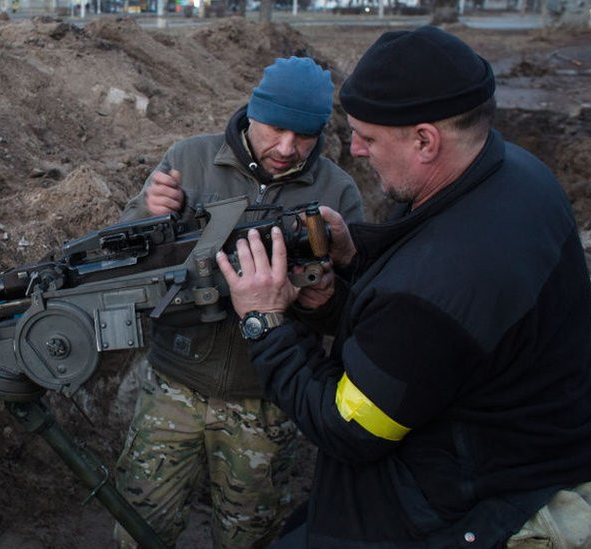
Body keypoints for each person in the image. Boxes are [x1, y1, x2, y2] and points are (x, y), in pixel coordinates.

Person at [216, 26, 591, 547]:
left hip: (463, 503)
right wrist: (355, 258)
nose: (354, 150)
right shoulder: (518, 174)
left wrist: (265, 320)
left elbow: (349, 428)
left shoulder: (444, 281)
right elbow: (424, 328)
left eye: (368, 138)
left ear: (425, 140)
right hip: (509, 446)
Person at [114, 57, 364, 548]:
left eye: (305, 136)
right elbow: (125, 259)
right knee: (139, 525)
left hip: (267, 403)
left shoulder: (337, 191)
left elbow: (354, 311)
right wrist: (147, 213)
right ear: (253, 112)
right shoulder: (190, 159)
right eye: (276, 129)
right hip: (174, 386)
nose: (287, 148)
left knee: (249, 535)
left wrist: (320, 301)